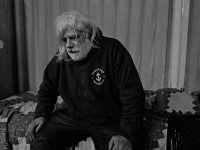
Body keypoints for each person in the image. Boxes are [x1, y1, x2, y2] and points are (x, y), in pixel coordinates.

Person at [26, 11, 145, 150]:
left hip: (109, 121)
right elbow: (47, 89)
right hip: (73, 118)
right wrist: (41, 114)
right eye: (64, 40)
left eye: (73, 37)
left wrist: (127, 134)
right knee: (40, 143)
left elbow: (132, 94)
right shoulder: (62, 57)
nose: (68, 45)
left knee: (121, 147)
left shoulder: (112, 49)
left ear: (87, 34)